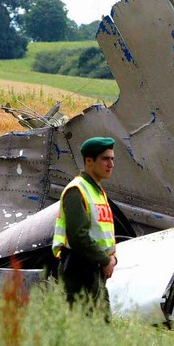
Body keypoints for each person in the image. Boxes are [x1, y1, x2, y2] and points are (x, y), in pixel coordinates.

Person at [52, 136, 118, 318]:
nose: (111, 164)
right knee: (86, 330)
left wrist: (111, 258)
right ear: (89, 161)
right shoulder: (77, 190)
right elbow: (77, 236)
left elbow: (101, 232)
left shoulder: (98, 191)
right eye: (105, 159)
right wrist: (105, 260)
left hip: (95, 270)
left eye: (112, 159)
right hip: (79, 270)